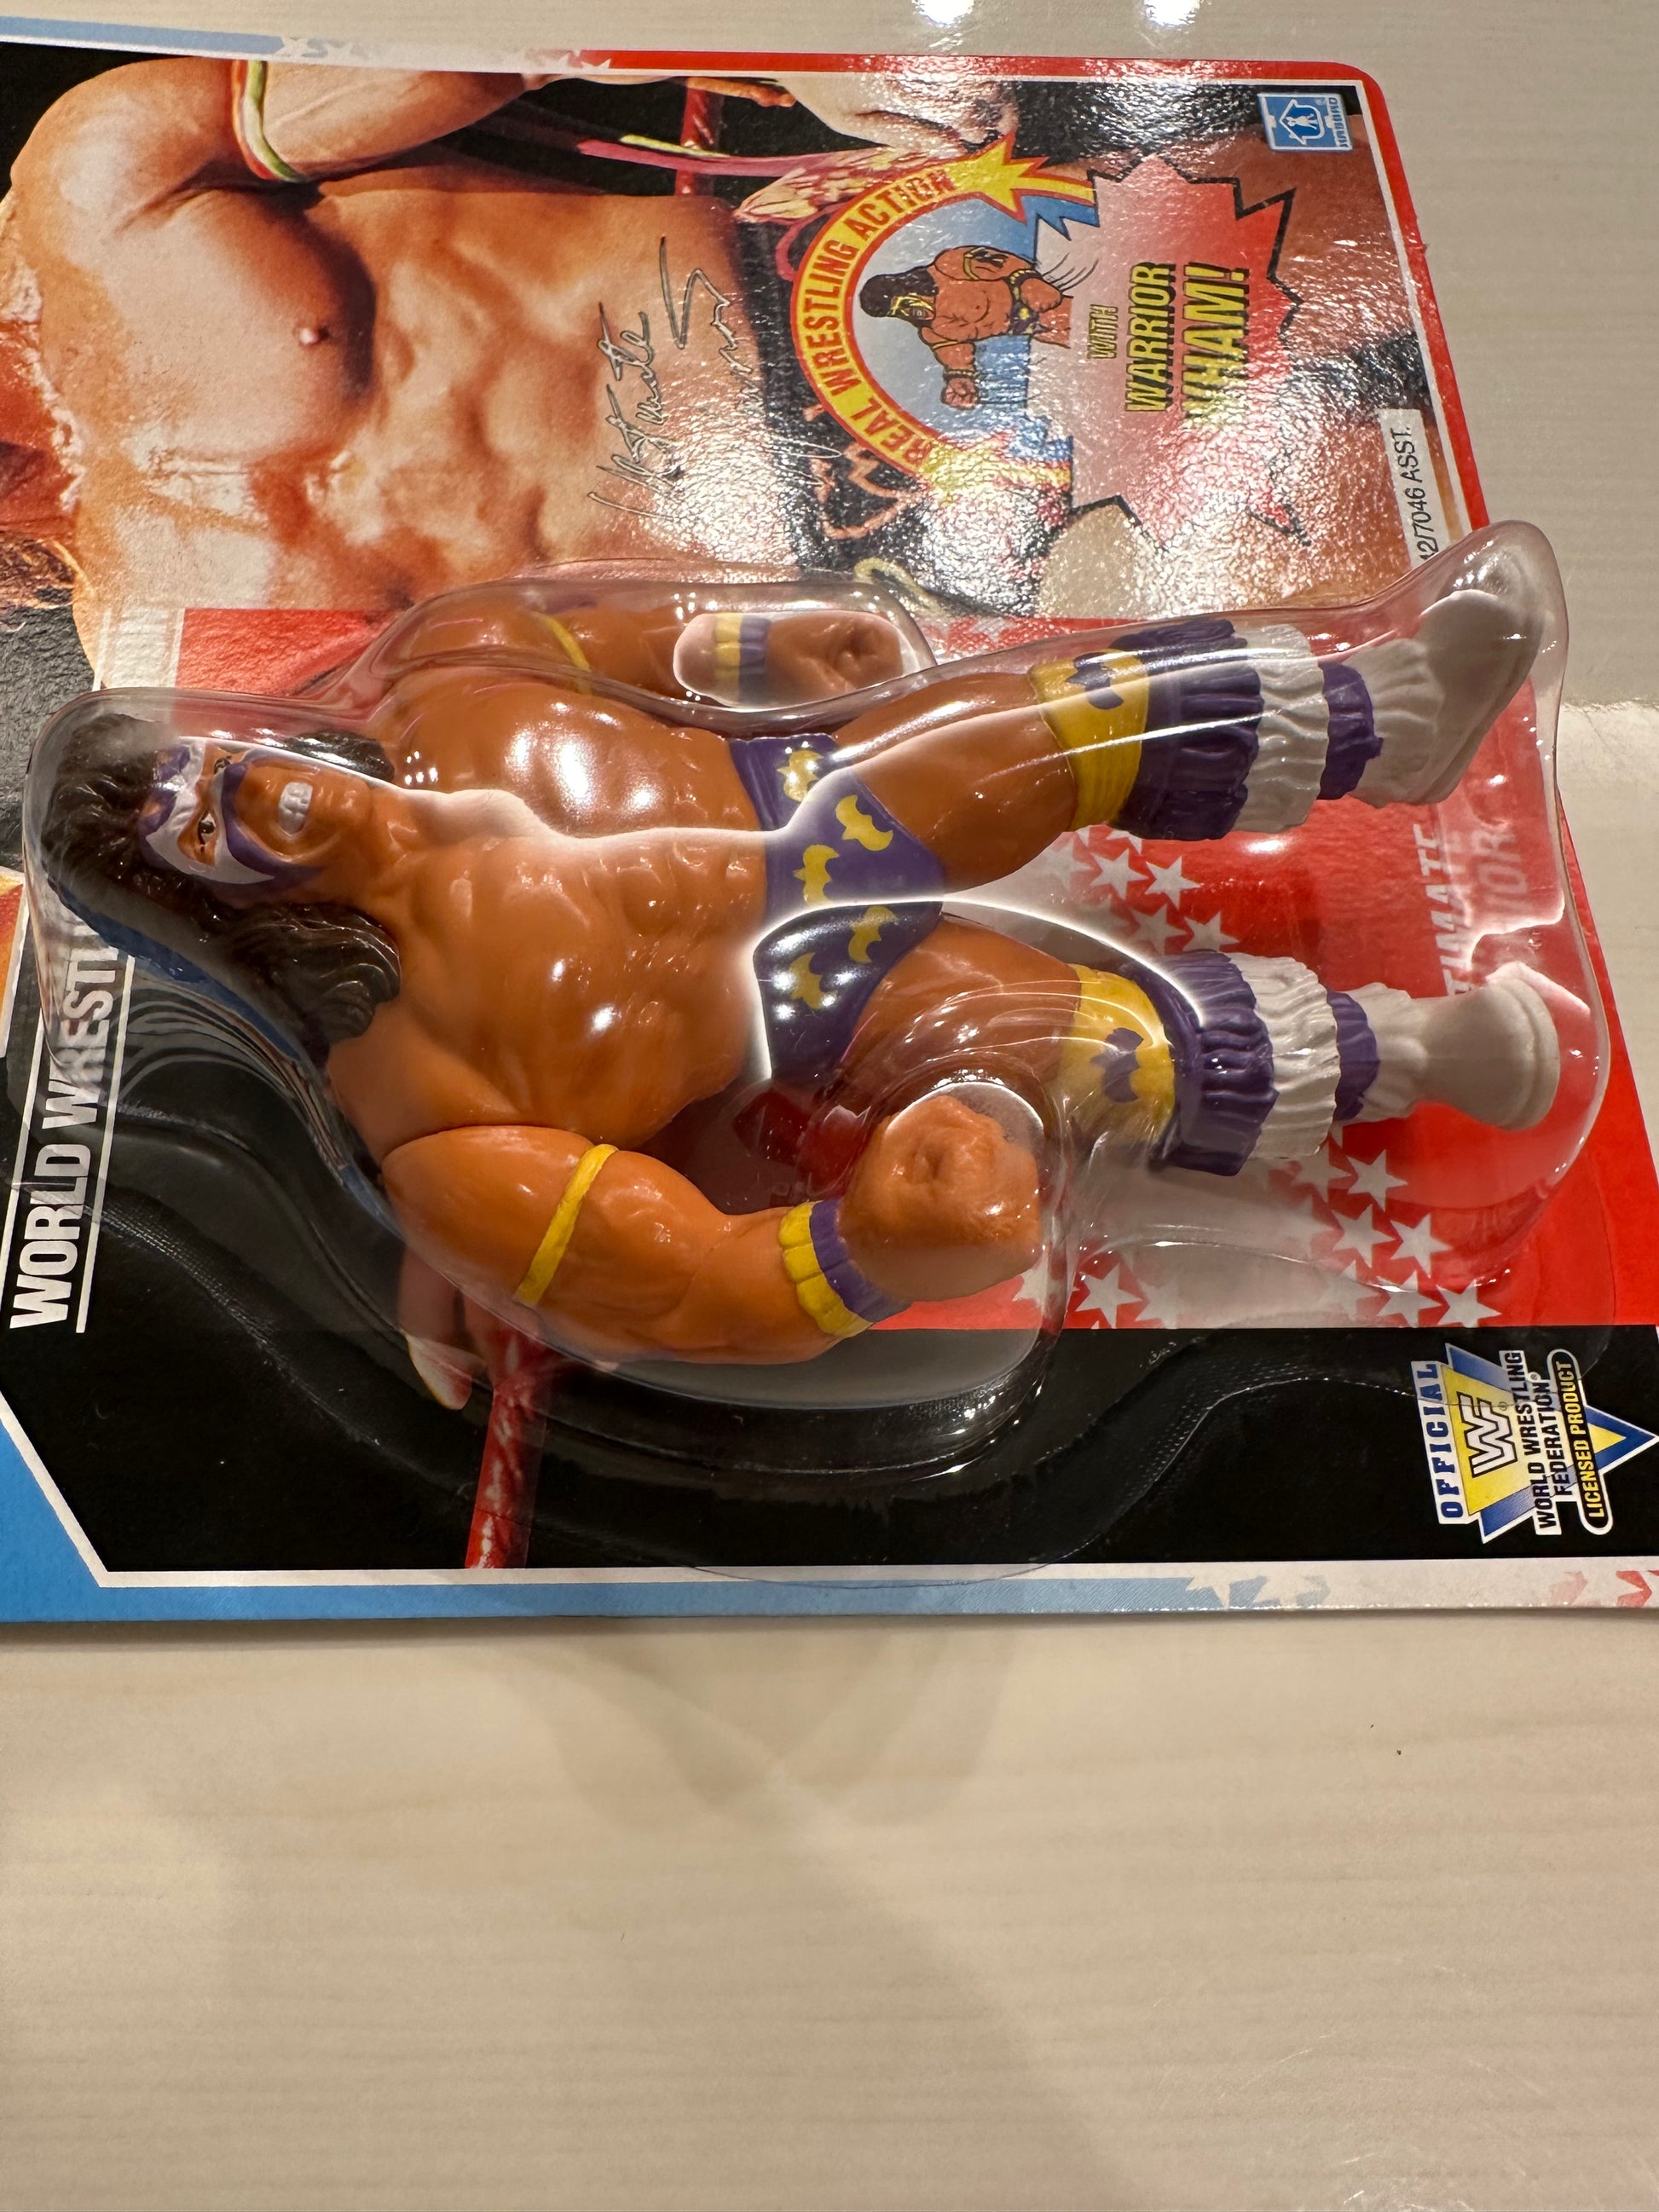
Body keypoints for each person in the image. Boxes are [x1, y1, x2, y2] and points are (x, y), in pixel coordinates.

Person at [35, 550, 1560, 1374]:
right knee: (1089, 1045)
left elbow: (610, 635)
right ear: (197, 900)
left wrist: (754, 652)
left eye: (194, 765)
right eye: (183, 830)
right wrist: (873, 1251)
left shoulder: (443, 688)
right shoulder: (422, 1111)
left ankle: (1393, 708)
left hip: (816, 791)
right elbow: (682, 1287)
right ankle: (1429, 1057)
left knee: (1051, 719)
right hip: (814, 1011)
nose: (225, 796)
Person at [1, 60, 1012, 650]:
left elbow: (499, 45)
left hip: (829, 283)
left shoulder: (89, 193)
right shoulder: (159, 651)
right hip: (878, 581)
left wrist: (802, 48)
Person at [858, 246, 1072, 412]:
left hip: (1055, 305)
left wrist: (1027, 281)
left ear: (906, 287)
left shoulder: (948, 266)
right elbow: (957, 358)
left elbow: (1002, 262)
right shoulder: (933, 331)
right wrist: (960, 382)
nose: (909, 313)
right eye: (898, 313)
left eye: (904, 304)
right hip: (1043, 331)